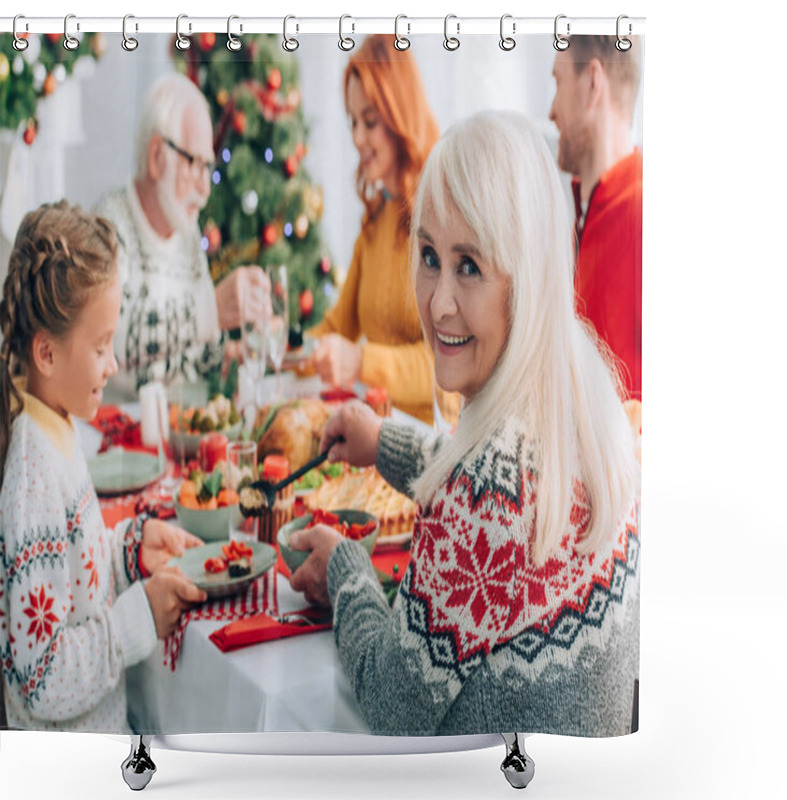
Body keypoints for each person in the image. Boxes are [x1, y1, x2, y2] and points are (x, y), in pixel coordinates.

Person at [289, 111, 640, 737]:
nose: (438, 301)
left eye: (469, 266)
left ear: (523, 279)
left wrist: (347, 567)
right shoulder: (589, 390)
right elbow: (488, 483)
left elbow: (393, 704)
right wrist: (384, 443)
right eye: (429, 256)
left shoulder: (485, 494)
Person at [0, 201, 206, 732]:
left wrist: (127, 551)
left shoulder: (60, 429)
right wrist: (137, 620)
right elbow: (40, 676)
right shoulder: (34, 480)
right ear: (46, 354)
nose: (113, 365)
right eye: (100, 346)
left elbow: (71, 586)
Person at [309, 35, 458, 426]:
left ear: (398, 114)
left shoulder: (445, 209)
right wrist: (276, 348)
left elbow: (449, 365)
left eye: (369, 122)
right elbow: (335, 327)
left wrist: (361, 361)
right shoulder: (376, 219)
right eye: (353, 122)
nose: (357, 138)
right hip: (380, 438)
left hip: (434, 444)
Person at [94, 72, 270, 400]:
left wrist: (226, 355)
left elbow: (191, 350)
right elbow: (112, 340)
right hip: (116, 434)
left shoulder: (187, 235)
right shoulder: (108, 224)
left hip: (179, 430)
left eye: (208, 168)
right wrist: (212, 308)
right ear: (157, 157)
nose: (204, 190)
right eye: (194, 164)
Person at [549, 36, 643, 399]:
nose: (551, 111)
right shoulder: (580, 214)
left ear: (591, 84)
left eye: (557, 83)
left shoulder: (642, 214)